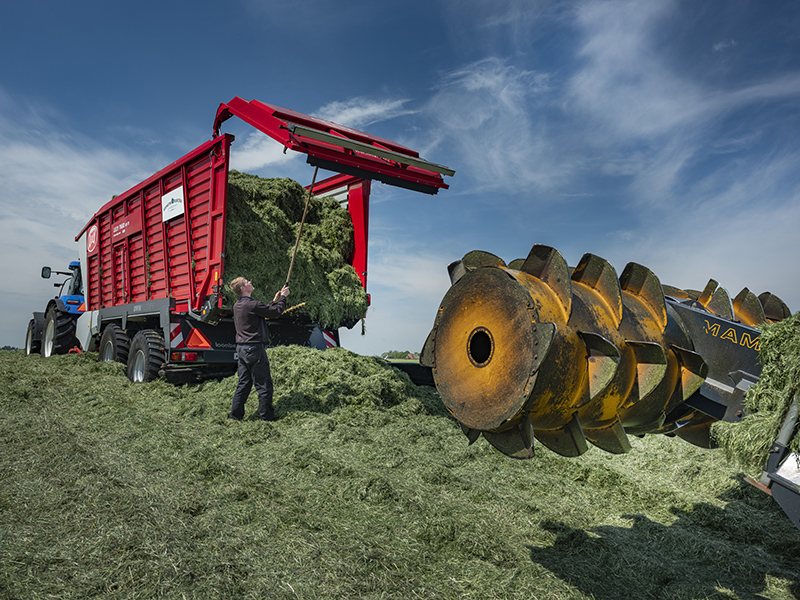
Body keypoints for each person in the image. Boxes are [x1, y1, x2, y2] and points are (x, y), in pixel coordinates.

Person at [228, 277, 289, 421]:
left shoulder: (237, 305)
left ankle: (235, 416)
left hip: (242, 349)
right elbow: (276, 312)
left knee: (243, 384)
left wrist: (274, 301)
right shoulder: (253, 304)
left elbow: (262, 311)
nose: (250, 282)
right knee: (264, 384)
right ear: (243, 288)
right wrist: (283, 298)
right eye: (247, 282)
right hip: (254, 349)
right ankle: (266, 418)